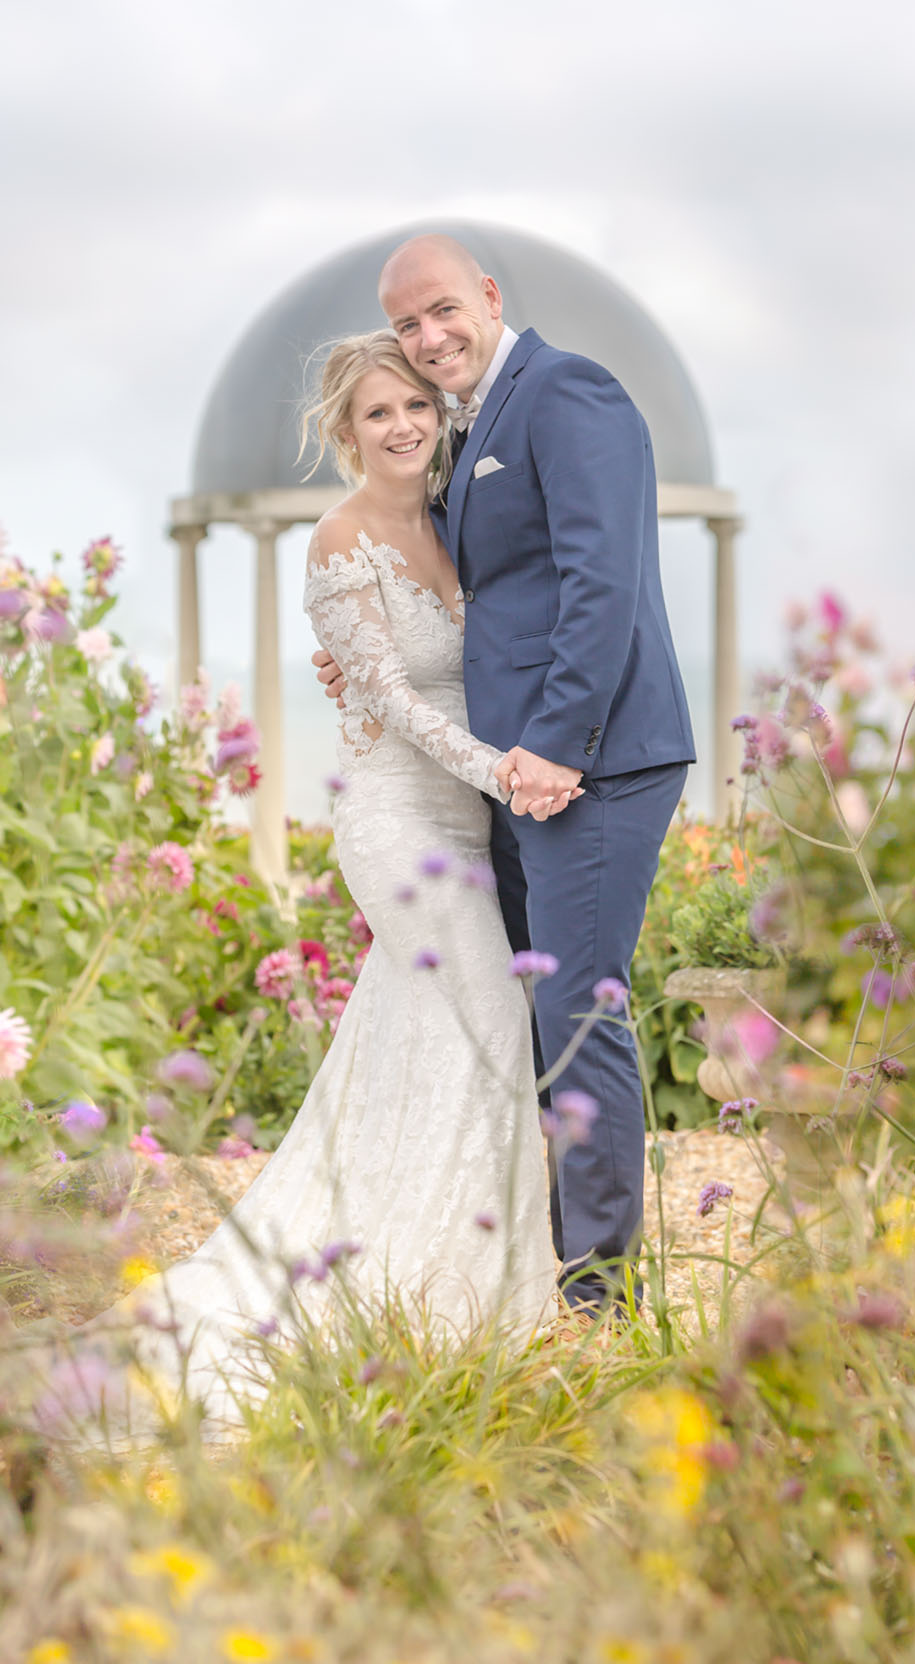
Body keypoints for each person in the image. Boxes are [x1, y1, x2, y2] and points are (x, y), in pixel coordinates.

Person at [75, 331, 563, 1436]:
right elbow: (387, 700)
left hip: (473, 818)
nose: (403, 426)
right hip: (399, 825)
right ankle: (445, 1301)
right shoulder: (340, 541)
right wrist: (506, 770)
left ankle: (457, 1295)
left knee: (433, 1044)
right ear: (344, 434)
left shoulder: (448, 524)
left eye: (416, 407)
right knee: (485, 1022)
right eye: (379, 413)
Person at [314, 234, 695, 1319]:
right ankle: (541, 1260)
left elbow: (600, 583)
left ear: (487, 295)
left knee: (580, 1012)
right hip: (512, 773)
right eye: (407, 327)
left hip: (593, 760)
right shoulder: (464, 429)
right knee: (538, 1014)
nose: (429, 340)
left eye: (442, 311)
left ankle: (599, 1297)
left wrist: (559, 749)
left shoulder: (567, 391)